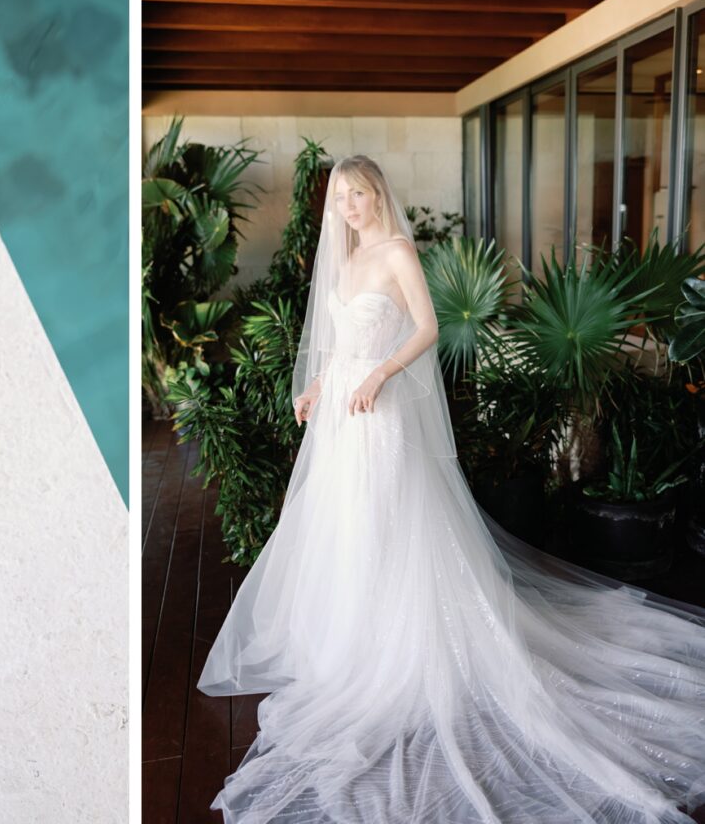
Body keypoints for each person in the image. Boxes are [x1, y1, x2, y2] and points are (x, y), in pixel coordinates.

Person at [200, 156, 705, 822]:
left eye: (359, 194)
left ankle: (399, 652)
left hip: (378, 418)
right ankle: (354, 645)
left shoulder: (395, 250)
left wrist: (380, 377)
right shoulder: (346, 256)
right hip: (340, 423)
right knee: (347, 528)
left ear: (380, 192)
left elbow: (427, 328)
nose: (349, 206)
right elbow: (342, 343)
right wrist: (319, 387)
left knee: (386, 527)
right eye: (341, 197)